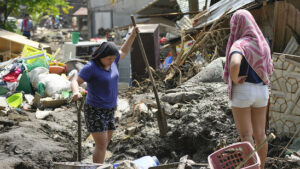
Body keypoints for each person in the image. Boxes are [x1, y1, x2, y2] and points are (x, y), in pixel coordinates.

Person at [71, 27, 137, 163]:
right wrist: (76, 92)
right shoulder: (91, 67)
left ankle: (98, 164)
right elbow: (75, 80)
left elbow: (124, 50)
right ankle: (98, 167)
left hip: (110, 109)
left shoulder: (112, 62)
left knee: (105, 143)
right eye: (109, 58)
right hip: (95, 109)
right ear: (101, 56)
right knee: (101, 144)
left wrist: (132, 36)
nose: (112, 60)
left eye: (114, 58)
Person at [223, 10, 273, 169]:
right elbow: (269, 68)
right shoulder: (263, 42)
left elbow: (235, 63)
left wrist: (235, 77)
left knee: (246, 135)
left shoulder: (240, 43)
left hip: (243, 91)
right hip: (262, 91)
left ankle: (252, 168)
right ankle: (261, 166)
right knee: (260, 134)